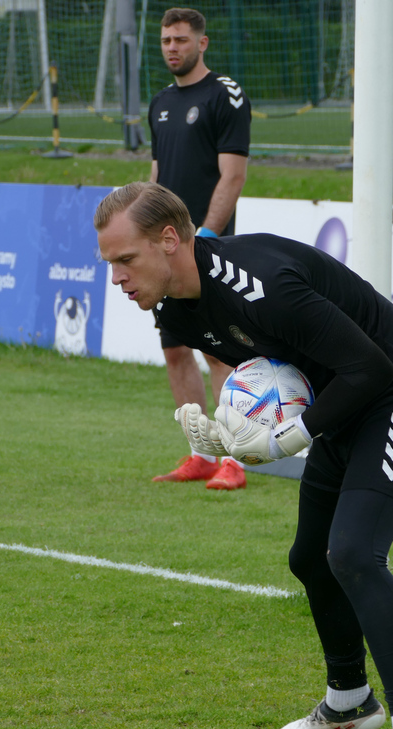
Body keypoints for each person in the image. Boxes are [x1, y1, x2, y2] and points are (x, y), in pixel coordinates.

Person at [94, 182, 393, 729]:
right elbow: (260, 368)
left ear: (168, 241)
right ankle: (349, 702)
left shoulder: (261, 286)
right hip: (337, 400)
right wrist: (228, 430)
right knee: (310, 558)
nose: (117, 279)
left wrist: (293, 434)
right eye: (110, 264)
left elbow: (371, 364)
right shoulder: (170, 304)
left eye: (125, 260)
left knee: (355, 555)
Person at [147, 7, 251, 490]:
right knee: (174, 351)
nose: (173, 47)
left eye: (181, 40)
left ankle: (236, 460)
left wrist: (207, 234)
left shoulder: (224, 95)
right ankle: (200, 455)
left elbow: (232, 175)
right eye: (167, 39)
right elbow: (155, 180)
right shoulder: (161, 102)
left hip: (208, 247)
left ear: (202, 43)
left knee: (219, 354)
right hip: (162, 252)